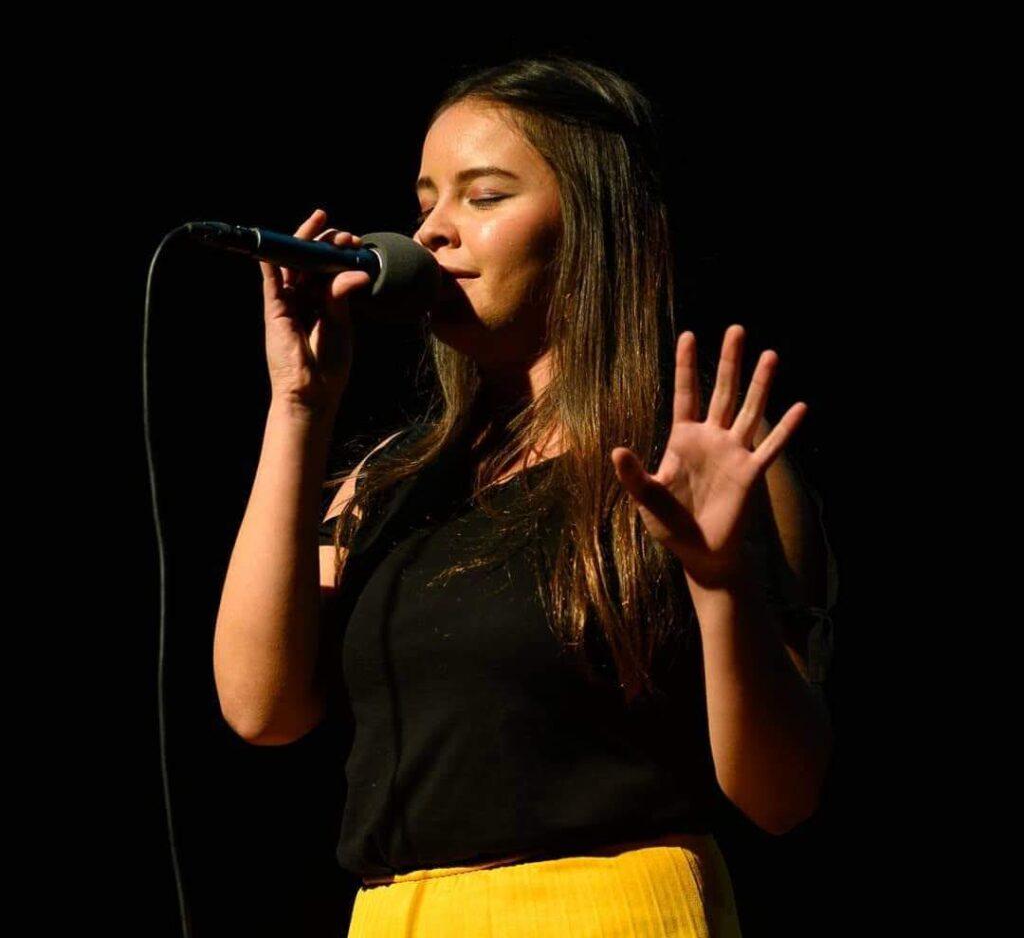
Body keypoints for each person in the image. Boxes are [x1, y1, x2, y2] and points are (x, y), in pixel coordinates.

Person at [214, 55, 837, 937]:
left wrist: (721, 581)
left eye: (484, 195)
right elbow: (259, 707)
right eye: (425, 199)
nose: (432, 232)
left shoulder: (695, 473)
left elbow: (783, 797)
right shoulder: (389, 484)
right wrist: (298, 406)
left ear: (595, 226)